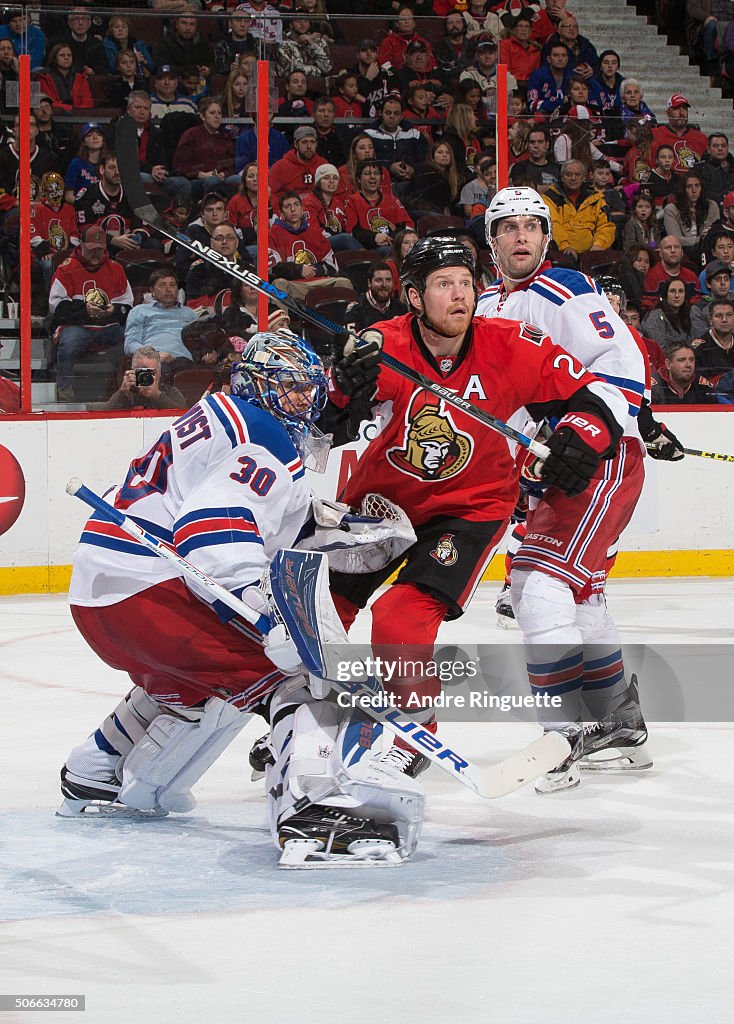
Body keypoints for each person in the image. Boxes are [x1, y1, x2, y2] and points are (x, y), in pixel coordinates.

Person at [59, 329, 421, 865]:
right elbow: (213, 524)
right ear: (260, 385)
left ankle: (94, 771)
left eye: (309, 391)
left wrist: (339, 530)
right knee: (303, 677)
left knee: (189, 687)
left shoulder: (219, 416)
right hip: (153, 592)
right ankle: (312, 812)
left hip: (100, 593)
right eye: (293, 390)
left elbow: (251, 516)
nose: (307, 403)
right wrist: (263, 607)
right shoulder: (265, 434)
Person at [319, 235, 627, 777]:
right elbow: (327, 422)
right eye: (443, 285)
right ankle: (307, 720)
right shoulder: (381, 343)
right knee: (319, 615)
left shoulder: (512, 344)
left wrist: (581, 437)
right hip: (378, 502)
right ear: (413, 297)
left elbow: (596, 395)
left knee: (398, 615)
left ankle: (414, 733)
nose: (460, 296)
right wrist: (343, 386)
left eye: (466, 282)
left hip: (470, 507)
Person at [476, 187, 654, 794]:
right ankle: (617, 724)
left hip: (596, 462)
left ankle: (562, 737)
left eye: (532, 227)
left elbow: (622, 365)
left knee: (538, 588)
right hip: (547, 470)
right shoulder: (480, 306)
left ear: (546, 238)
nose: (522, 237)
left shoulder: (567, 290)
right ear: (492, 241)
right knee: (576, 598)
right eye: (509, 228)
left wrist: (583, 433)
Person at [49, 224, 133, 403]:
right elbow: (56, 306)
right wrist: (84, 310)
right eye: (92, 249)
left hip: (109, 326)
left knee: (130, 340)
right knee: (70, 341)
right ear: (81, 245)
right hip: (78, 327)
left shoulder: (115, 269)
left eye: (100, 250)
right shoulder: (66, 269)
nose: (96, 254)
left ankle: (120, 388)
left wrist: (114, 310)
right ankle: (65, 388)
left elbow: (127, 304)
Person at [267, 191, 353, 301]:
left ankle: (348, 318)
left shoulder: (315, 233)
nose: (293, 209)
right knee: (278, 284)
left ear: (302, 209)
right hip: (295, 285)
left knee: (343, 282)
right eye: (288, 206)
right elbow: (273, 268)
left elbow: (332, 266)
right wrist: (299, 269)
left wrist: (314, 270)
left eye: (296, 205)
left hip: (320, 282)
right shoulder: (273, 233)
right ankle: (282, 318)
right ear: (281, 213)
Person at [124, 268, 199, 381]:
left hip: (185, 363)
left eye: (172, 285)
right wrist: (154, 355)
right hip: (151, 361)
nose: (168, 289)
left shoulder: (190, 313)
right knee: (145, 381)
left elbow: (201, 342)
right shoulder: (139, 311)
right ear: (152, 291)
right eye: (162, 285)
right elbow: (130, 345)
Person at [74, 151, 152, 254]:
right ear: (102, 169)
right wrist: (113, 240)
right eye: (112, 168)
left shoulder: (134, 194)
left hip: (129, 242)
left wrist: (135, 239)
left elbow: (144, 225)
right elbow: (85, 230)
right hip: (100, 245)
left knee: (154, 244)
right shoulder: (86, 195)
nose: (117, 172)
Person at [543, 159, 616, 260]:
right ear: (562, 177)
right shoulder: (550, 198)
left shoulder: (595, 198)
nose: (573, 178)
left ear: (584, 178)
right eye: (569, 174)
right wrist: (565, 246)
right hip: (561, 254)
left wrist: (599, 245)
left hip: (592, 254)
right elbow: (554, 225)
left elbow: (606, 226)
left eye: (577, 175)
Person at [172, 97, 240, 199]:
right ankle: (208, 209)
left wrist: (224, 174)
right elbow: (180, 165)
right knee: (212, 181)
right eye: (212, 113)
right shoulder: (191, 135)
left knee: (237, 179)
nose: (217, 117)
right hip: (197, 179)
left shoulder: (225, 137)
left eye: (219, 113)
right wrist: (201, 174)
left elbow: (230, 165)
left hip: (221, 178)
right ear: (203, 116)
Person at [345, 159, 414, 252]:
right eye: (367, 173)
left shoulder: (392, 200)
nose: (372, 176)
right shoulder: (352, 201)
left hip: (393, 245)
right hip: (369, 250)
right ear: (358, 179)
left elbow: (406, 225)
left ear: (381, 178)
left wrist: (389, 238)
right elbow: (352, 231)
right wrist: (374, 237)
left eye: (376, 173)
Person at [366, 96, 428, 195]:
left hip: (411, 186)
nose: (392, 116)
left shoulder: (414, 134)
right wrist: (389, 168)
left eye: (396, 113)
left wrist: (413, 170)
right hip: (379, 185)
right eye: (388, 113)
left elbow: (426, 161)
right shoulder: (368, 135)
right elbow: (364, 162)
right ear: (381, 114)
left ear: (401, 116)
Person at [103, 346, 187, 410]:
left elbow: (184, 418)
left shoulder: (170, 392)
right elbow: (102, 417)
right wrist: (122, 392)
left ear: (160, 373)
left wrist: (158, 396)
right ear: (133, 371)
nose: (148, 376)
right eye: (144, 372)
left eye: (152, 372)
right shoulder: (126, 394)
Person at [662, 170, 720, 262]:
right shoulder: (671, 210)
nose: (694, 190)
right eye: (689, 187)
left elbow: (715, 234)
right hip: (685, 252)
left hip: (709, 250)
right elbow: (676, 240)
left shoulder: (711, 206)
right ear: (683, 189)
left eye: (697, 186)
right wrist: (700, 239)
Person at [302, 163, 360, 252]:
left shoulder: (339, 203)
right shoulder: (308, 202)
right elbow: (313, 231)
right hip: (318, 244)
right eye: (326, 178)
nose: (332, 181)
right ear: (318, 182)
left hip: (339, 244)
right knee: (344, 239)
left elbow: (348, 228)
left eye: (335, 178)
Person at [269, 126, 327, 205]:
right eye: (304, 142)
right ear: (296, 144)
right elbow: (268, 193)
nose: (309, 146)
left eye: (312, 142)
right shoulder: (280, 167)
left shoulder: (323, 165)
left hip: (318, 211)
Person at [344, 262, 407, 333]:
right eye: (379, 280)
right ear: (369, 283)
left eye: (388, 280)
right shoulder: (355, 310)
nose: (384, 285)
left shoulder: (401, 309)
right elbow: (353, 341)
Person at [652, 94, 708, 173]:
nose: (682, 113)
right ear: (668, 113)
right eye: (676, 108)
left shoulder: (701, 137)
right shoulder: (655, 134)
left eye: (685, 109)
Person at [642, 234, 700, 310]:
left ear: (682, 253)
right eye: (668, 247)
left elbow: (697, 303)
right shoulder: (651, 276)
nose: (673, 250)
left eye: (676, 247)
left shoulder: (691, 276)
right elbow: (648, 306)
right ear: (660, 253)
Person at [153, 10, 214, 79]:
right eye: (184, 23)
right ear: (177, 25)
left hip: (198, 82)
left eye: (192, 24)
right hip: (174, 81)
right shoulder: (165, 42)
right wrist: (189, 71)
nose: (188, 28)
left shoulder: (204, 43)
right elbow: (163, 66)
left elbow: (212, 64)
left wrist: (208, 70)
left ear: (196, 26)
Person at [36, 41, 94, 113]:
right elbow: (48, 102)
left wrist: (75, 111)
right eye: (62, 55)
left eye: (69, 55)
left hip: (78, 116)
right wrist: (70, 108)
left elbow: (87, 102)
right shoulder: (44, 77)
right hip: (54, 114)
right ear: (54, 58)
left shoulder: (80, 78)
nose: (66, 57)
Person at [651, 342, 717, 403]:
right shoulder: (653, 388)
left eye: (691, 360)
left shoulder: (703, 386)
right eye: (681, 360)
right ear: (668, 364)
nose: (688, 365)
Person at [641, 277, 696, 347]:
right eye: (672, 291)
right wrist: (691, 346)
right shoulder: (656, 316)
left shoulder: (687, 315)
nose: (677, 295)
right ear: (665, 294)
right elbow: (660, 348)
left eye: (681, 291)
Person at [526, 41, 573, 114]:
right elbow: (532, 104)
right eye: (556, 55)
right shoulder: (538, 75)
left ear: (567, 59)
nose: (560, 59)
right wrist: (560, 103)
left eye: (563, 55)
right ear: (549, 59)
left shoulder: (572, 76)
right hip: (543, 119)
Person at [510, 125, 560, 192]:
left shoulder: (558, 169)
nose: (536, 146)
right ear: (527, 145)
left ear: (547, 144)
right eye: (532, 142)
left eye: (540, 142)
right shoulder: (519, 168)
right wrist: (555, 188)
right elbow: (525, 190)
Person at [692, 297, 734, 376]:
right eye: (719, 315)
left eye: (729, 315)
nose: (724, 319)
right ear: (710, 320)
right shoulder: (699, 349)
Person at [692, 260, 734, 335]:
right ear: (708, 284)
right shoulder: (699, 309)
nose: (723, 283)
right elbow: (702, 339)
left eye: (726, 279)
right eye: (718, 279)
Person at [500, 11, 543, 86]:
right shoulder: (505, 44)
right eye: (520, 26)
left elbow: (537, 73)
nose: (523, 29)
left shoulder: (536, 49)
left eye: (527, 27)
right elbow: (504, 70)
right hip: (510, 83)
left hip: (531, 85)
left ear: (530, 31)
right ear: (514, 30)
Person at [213, 6, 258, 75]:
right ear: (230, 23)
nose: (242, 24)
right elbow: (220, 68)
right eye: (238, 20)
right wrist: (229, 69)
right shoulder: (222, 45)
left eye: (246, 21)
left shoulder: (257, 43)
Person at [694, 133, 734, 209]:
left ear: (728, 148)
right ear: (708, 149)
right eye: (716, 146)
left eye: (723, 146)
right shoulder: (698, 169)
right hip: (709, 211)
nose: (720, 149)